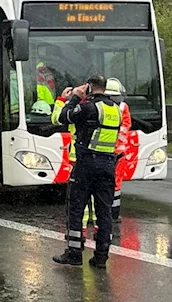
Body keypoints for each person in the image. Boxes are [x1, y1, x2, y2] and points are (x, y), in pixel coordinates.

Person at [51, 75, 122, 268]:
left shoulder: (88, 107)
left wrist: (74, 97)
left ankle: (74, 253)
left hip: (87, 163)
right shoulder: (116, 109)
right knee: (104, 212)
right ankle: (101, 256)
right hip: (108, 164)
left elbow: (62, 117)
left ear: (89, 87)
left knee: (76, 208)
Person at [106, 78, 136, 222]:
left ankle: (104, 213)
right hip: (119, 152)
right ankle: (114, 214)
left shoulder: (101, 105)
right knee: (116, 184)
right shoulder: (123, 107)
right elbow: (126, 126)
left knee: (102, 183)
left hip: (103, 151)